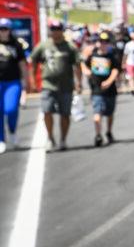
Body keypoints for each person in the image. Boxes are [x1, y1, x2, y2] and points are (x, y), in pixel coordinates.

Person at [30, 20, 82, 152]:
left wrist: (79, 82)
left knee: (65, 114)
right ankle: (50, 137)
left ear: (62, 30)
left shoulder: (69, 47)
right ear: (50, 30)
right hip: (48, 84)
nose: (56, 31)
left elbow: (77, 64)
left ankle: (63, 140)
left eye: (58, 28)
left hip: (66, 85)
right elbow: (34, 60)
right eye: (53, 29)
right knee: (47, 111)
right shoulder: (43, 46)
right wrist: (32, 80)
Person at [81, 32, 119, 146]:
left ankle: (108, 131)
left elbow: (115, 70)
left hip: (110, 89)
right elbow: (83, 64)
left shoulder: (112, 56)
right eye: (101, 42)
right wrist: (86, 71)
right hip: (96, 89)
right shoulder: (93, 55)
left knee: (110, 113)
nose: (103, 44)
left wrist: (109, 81)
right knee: (97, 112)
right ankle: (98, 135)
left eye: (105, 42)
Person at [0, 18, 29, 153]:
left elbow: (22, 64)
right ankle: (1, 139)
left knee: (10, 109)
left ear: (10, 30)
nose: (3, 32)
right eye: (1, 29)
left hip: (13, 82)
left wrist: (26, 81)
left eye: (5, 29)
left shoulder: (16, 45)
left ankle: (12, 131)